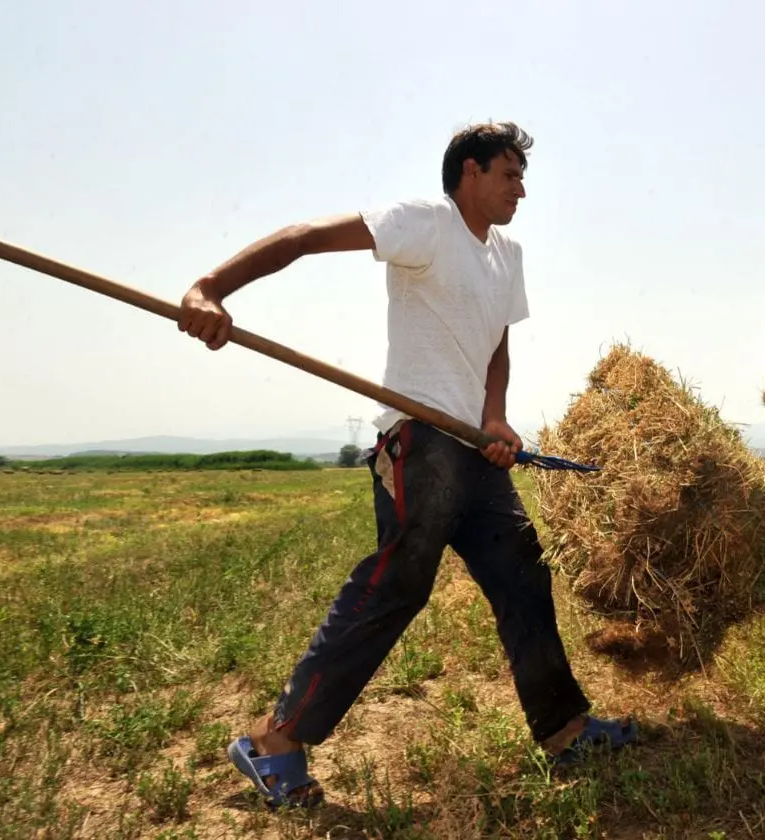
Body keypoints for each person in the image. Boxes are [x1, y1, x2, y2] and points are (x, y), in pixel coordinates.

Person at [176, 122, 636, 809]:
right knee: (399, 583)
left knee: (522, 573)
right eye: (510, 174)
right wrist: (210, 287)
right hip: (418, 439)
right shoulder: (425, 223)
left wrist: (495, 416)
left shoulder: (507, 254)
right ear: (471, 172)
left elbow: (496, 345)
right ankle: (274, 743)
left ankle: (564, 730)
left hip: (475, 450)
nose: (522, 189)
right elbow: (303, 237)